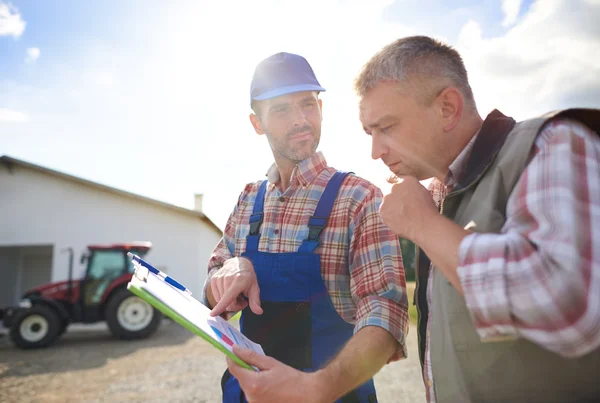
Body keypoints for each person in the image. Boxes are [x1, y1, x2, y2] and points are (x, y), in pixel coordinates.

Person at [353, 35, 600, 402]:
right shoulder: (437, 195)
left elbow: (569, 304)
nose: (376, 151)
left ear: (448, 108)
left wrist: (422, 224)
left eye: (386, 127)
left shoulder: (552, 143)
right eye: (369, 132)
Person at [201, 52, 409, 403]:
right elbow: (210, 290)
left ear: (321, 108)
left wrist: (315, 390)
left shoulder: (357, 198)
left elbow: (386, 313)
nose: (300, 120)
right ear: (257, 123)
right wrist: (230, 271)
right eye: (281, 110)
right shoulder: (248, 199)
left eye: (307, 104)